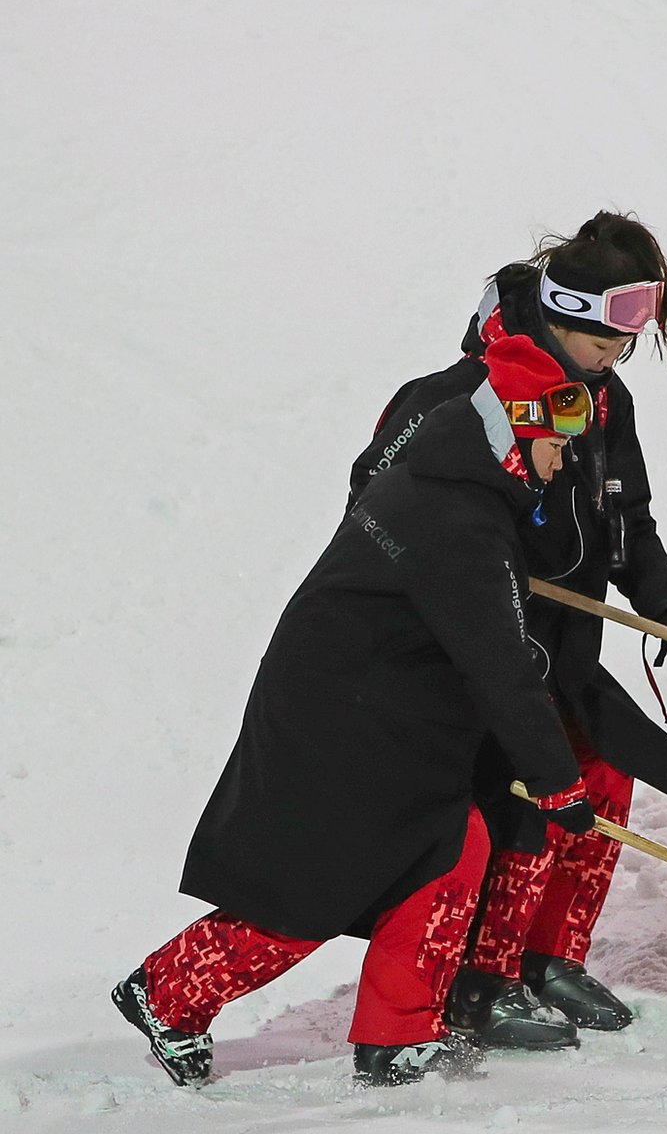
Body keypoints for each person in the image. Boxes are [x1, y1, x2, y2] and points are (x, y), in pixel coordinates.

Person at [113, 340, 603, 1087]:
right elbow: (500, 667)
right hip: (343, 720)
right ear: (515, 435)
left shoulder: (451, 479)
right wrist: (559, 785)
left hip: (387, 712)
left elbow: (479, 632)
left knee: (453, 848)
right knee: (316, 887)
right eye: (555, 446)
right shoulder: (457, 518)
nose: (562, 462)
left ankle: (396, 1035)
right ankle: (168, 993)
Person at [347, 211, 667, 1051]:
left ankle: (544, 957)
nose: (614, 362)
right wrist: (472, 570)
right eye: (604, 344)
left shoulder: (601, 398)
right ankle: (483, 979)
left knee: (606, 777)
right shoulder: (460, 395)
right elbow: (377, 500)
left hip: (560, 646)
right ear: (558, 317)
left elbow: (624, 520)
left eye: (623, 348)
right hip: (476, 658)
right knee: (530, 795)